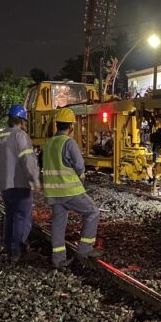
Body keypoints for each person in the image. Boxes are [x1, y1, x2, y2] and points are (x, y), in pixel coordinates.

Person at [42, 108, 101, 269]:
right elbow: (80, 165)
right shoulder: (68, 142)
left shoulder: (48, 143)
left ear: (57, 125)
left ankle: (59, 259)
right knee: (92, 212)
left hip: (53, 192)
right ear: (71, 127)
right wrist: (80, 174)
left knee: (58, 224)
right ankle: (85, 248)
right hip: (69, 191)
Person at [0, 104, 41, 264]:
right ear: (22, 120)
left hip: (4, 184)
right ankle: (17, 250)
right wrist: (34, 179)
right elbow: (27, 159)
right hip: (19, 183)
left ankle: (8, 247)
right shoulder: (20, 135)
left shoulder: (0, 136)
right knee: (22, 217)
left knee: (10, 216)